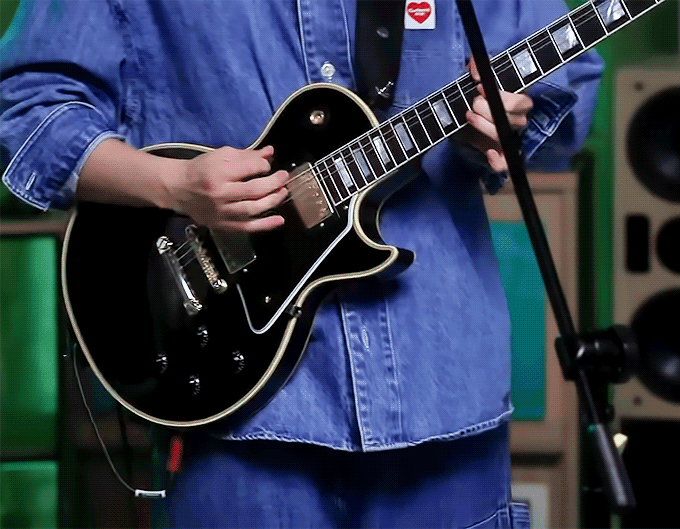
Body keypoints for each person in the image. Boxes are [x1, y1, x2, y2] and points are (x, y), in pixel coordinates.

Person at [1, 0, 602, 527]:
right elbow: (26, 108)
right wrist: (174, 184)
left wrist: (505, 124)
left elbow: (560, 95)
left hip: (440, 389)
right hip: (236, 413)